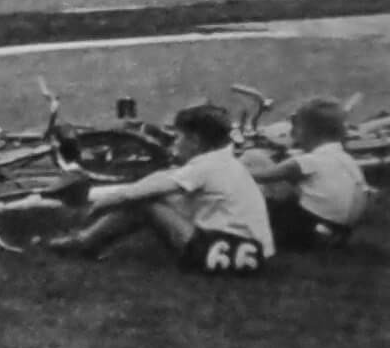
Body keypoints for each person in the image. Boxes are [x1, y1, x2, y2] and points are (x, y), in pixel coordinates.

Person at [45, 104, 275, 274]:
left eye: (178, 138)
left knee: (146, 203)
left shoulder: (205, 166)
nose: (174, 144)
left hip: (225, 251)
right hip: (254, 254)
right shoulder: (224, 162)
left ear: (194, 141)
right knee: (156, 200)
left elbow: (136, 193)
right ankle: (85, 241)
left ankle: (84, 242)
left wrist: (98, 204)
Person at [239, 98, 370, 251]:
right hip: (340, 229)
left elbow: (263, 176)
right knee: (257, 159)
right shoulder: (345, 159)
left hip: (309, 227)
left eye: (296, 127)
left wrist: (228, 165)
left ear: (308, 131)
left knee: (266, 199)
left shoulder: (308, 162)